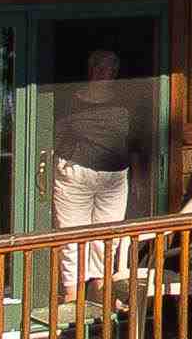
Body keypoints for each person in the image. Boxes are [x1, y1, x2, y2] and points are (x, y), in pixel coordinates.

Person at [52, 49, 150, 296]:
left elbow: (134, 141)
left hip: (113, 178)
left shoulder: (124, 100)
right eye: (100, 68)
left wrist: (137, 176)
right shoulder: (70, 100)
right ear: (90, 69)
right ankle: (71, 297)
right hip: (75, 176)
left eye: (110, 70)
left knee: (106, 239)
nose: (105, 74)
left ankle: (99, 294)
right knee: (71, 239)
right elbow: (56, 134)